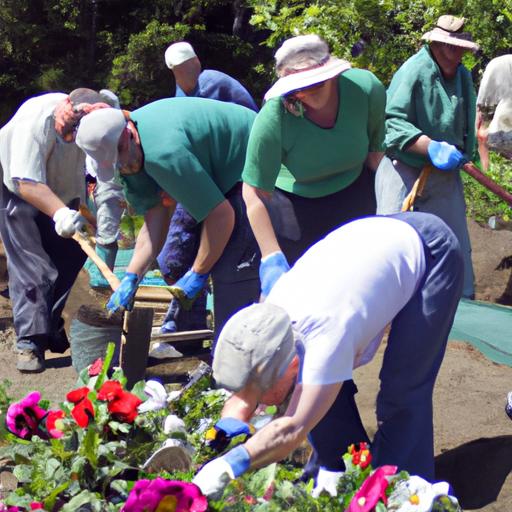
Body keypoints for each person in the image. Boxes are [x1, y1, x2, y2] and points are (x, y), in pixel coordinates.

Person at [191, 212, 464, 498]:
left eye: (262, 393)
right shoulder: (268, 324)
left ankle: (402, 493)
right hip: (373, 242)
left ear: (292, 362)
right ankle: (344, 475)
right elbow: (244, 396)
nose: (257, 403)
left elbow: (291, 431)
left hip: (430, 251)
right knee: (318, 396)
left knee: (403, 389)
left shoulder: (324, 337)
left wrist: (234, 463)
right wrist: (221, 438)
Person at [75, 98, 261, 341]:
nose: (123, 165)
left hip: (249, 162)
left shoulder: (164, 153)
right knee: (172, 262)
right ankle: (189, 340)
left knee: (232, 270)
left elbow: (222, 215)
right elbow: (155, 216)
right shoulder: (128, 161)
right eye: (117, 163)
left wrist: (199, 272)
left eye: (122, 155)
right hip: (209, 173)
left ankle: (237, 356)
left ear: (129, 133)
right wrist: (132, 276)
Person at [241, 34, 386, 298]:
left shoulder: (366, 90)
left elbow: (375, 155)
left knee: (356, 288)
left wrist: (392, 206)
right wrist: (270, 256)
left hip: (354, 191)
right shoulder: (275, 117)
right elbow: (253, 192)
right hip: (295, 204)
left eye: (314, 84)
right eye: (297, 88)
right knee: (301, 296)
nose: (305, 93)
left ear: (331, 74)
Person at [0, 88, 108, 372]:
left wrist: (86, 211)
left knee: (71, 256)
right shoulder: (35, 123)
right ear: (68, 110)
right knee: (33, 268)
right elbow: (24, 181)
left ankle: (48, 324)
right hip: (18, 190)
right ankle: (29, 343)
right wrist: (60, 213)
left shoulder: (94, 124)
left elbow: (91, 173)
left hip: (62, 193)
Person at [375, 15, 479, 299]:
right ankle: (386, 306)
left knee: (455, 242)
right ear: (433, 43)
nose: (454, 53)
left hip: (445, 172)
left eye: (459, 48)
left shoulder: (462, 76)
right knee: (394, 243)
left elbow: (467, 124)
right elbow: (391, 124)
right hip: (405, 168)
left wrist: (462, 153)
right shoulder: (414, 70)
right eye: (447, 46)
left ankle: (461, 306)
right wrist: (430, 146)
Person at [158, 42, 259, 333]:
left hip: (237, 177)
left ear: (197, 62)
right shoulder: (180, 95)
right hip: (203, 180)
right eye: (178, 69)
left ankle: (231, 328)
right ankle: (186, 320)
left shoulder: (216, 84)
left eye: (188, 65)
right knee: (173, 258)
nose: (185, 72)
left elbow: (246, 129)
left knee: (232, 259)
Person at [84, 89, 126, 287]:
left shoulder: (116, 127)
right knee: (103, 231)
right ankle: (98, 276)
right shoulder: (89, 130)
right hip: (100, 184)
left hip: (113, 186)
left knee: (107, 234)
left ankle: (101, 278)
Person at [164, 41, 258, 112]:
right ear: (173, 71)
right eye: (181, 67)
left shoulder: (213, 82)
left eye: (190, 63)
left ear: (197, 62)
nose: (187, 70)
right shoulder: (179, 98)